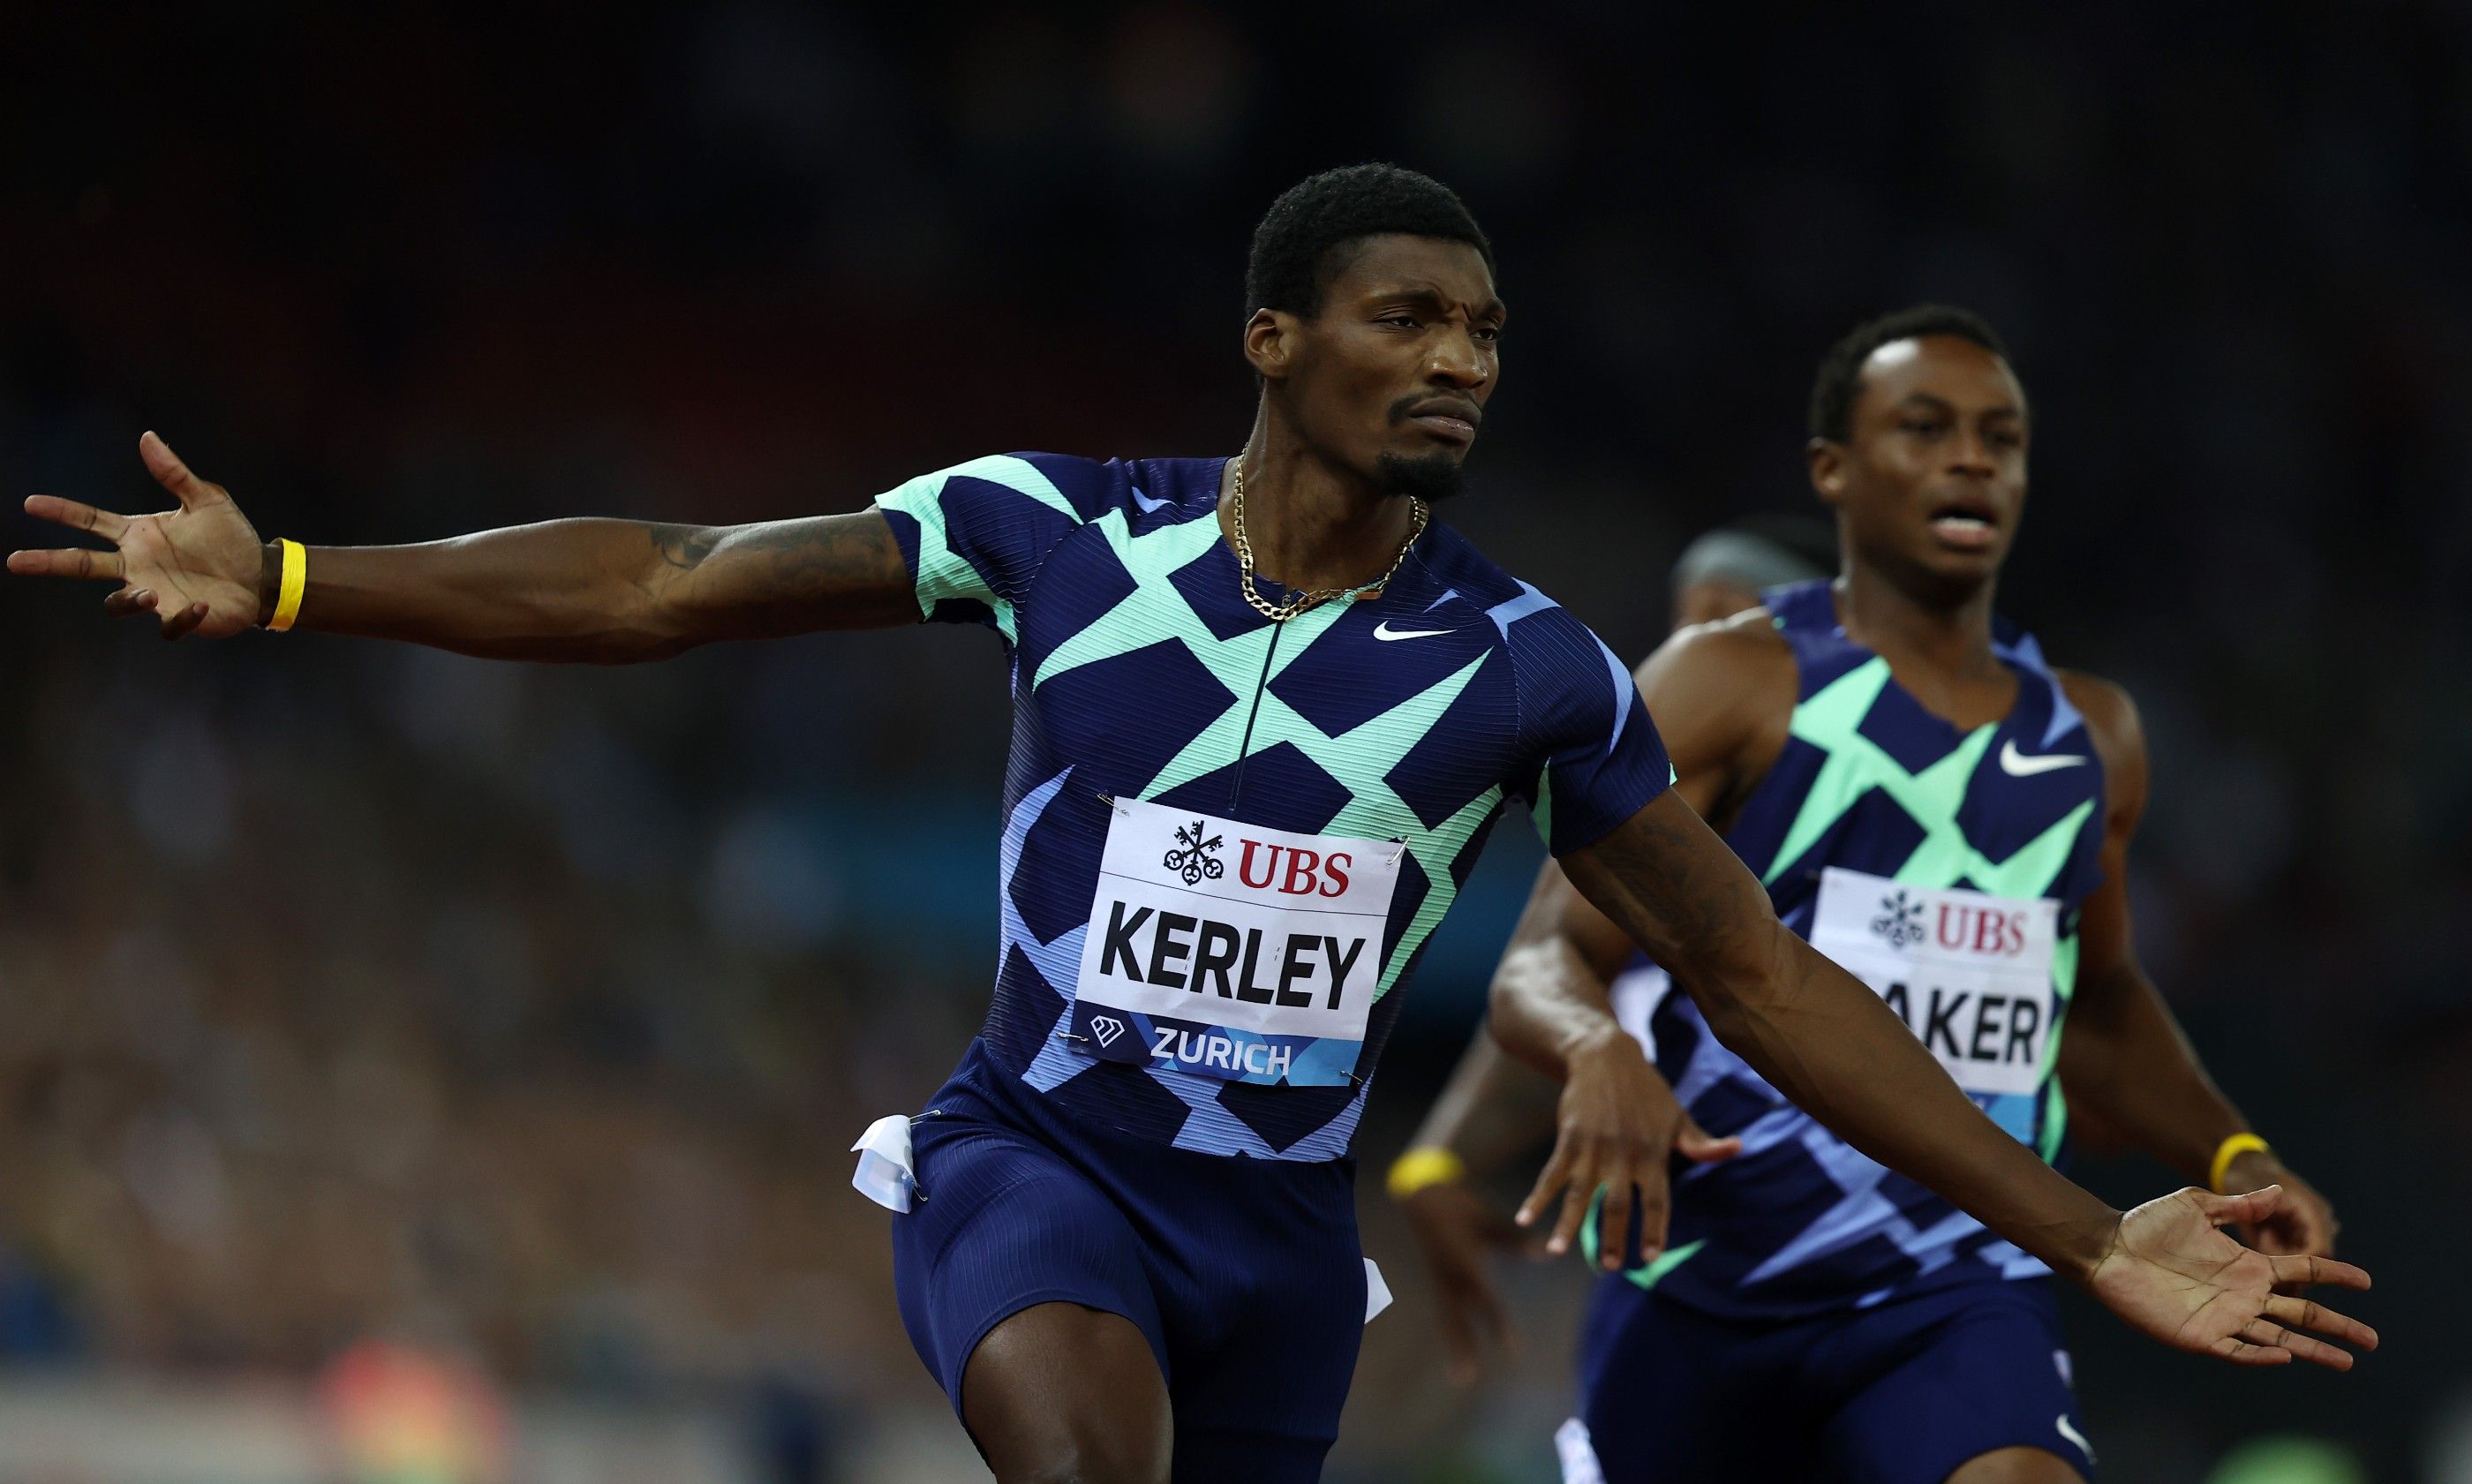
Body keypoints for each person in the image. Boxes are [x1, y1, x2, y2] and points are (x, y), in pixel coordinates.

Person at [11, 174, 2372, 1484]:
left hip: (1275, 1264)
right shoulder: (1058, 531)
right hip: (1041, 1165)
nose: (1459, 358)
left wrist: (2095, 1233)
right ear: (1275, 339)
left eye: (1487, 332)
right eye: (1410, 317)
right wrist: (308, 574)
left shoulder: (1533, 668)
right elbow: (657, 583)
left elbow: (1762, 978)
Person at [1401, 305, 2347, 1483]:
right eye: (1925, 427)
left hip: (1958, 1284)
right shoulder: (1727, 683)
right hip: (1705, 1288)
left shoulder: (2093, 736)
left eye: (2000, 436)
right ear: (1834, 472)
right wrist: (1586, 1053)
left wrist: (2233, 1147)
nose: (1969, 458)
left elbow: (2097, 1004)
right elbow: (1549, 955)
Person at [1389, 516, 1833, 1383]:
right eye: (1684, 626)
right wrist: (1439, 1158)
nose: (1688, 662)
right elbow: (1561, 975)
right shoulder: (1660, 829)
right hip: (1697, 1274)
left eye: (1727, 627)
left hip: (1899, 1269)